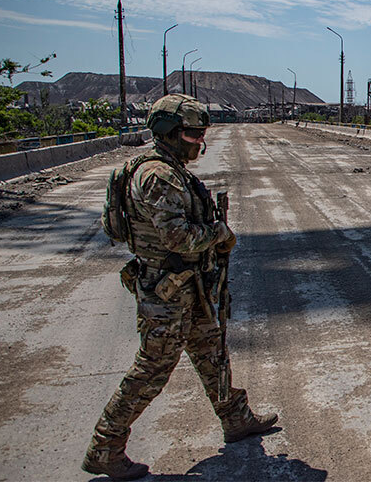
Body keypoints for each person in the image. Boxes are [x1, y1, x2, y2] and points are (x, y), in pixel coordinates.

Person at [83, 94, 277, 480]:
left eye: (201, 133)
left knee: (211, 351)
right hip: (168, 294)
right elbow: (176, 236)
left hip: (190, 286)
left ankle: (235, 418)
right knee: (152, 369)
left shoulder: (171, 169)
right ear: (168, 133)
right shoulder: (157, 175)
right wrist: (218, 232)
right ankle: (106, 445)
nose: (199, 141)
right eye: (192, 134)